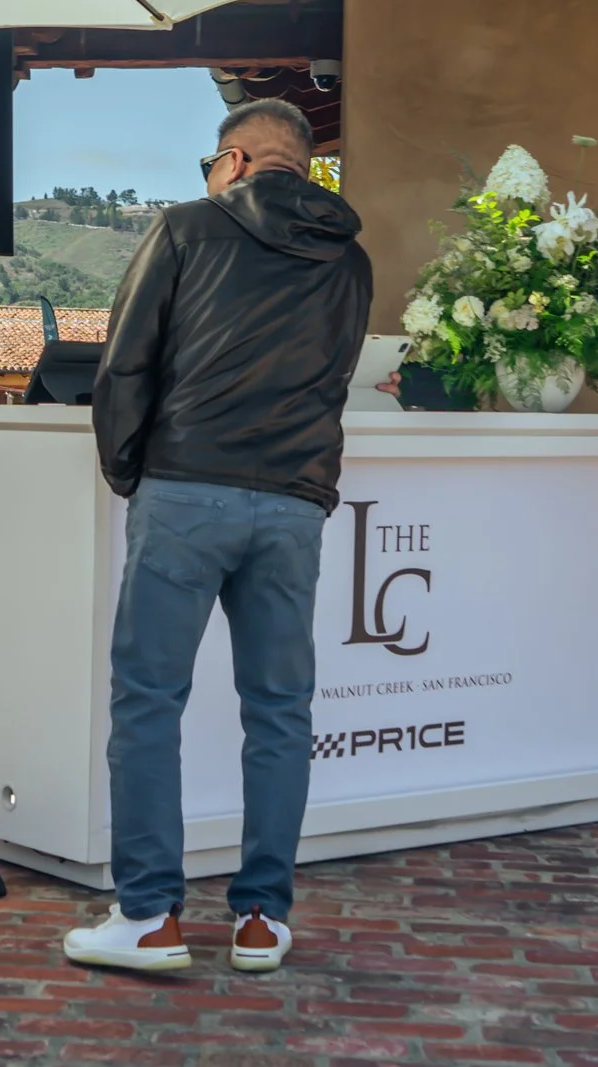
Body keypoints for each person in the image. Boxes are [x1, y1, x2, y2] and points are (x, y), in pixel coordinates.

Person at [64, 98, 371, 976]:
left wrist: (129, 470)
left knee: (148, 702)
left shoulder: (187, 228)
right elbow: (336, 376)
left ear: (235, 161)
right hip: (292, 504)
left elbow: (125, 364)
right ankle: (263, 920)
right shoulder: (349, 257)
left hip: (188, 490)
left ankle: (151, 918)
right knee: (280, 710)